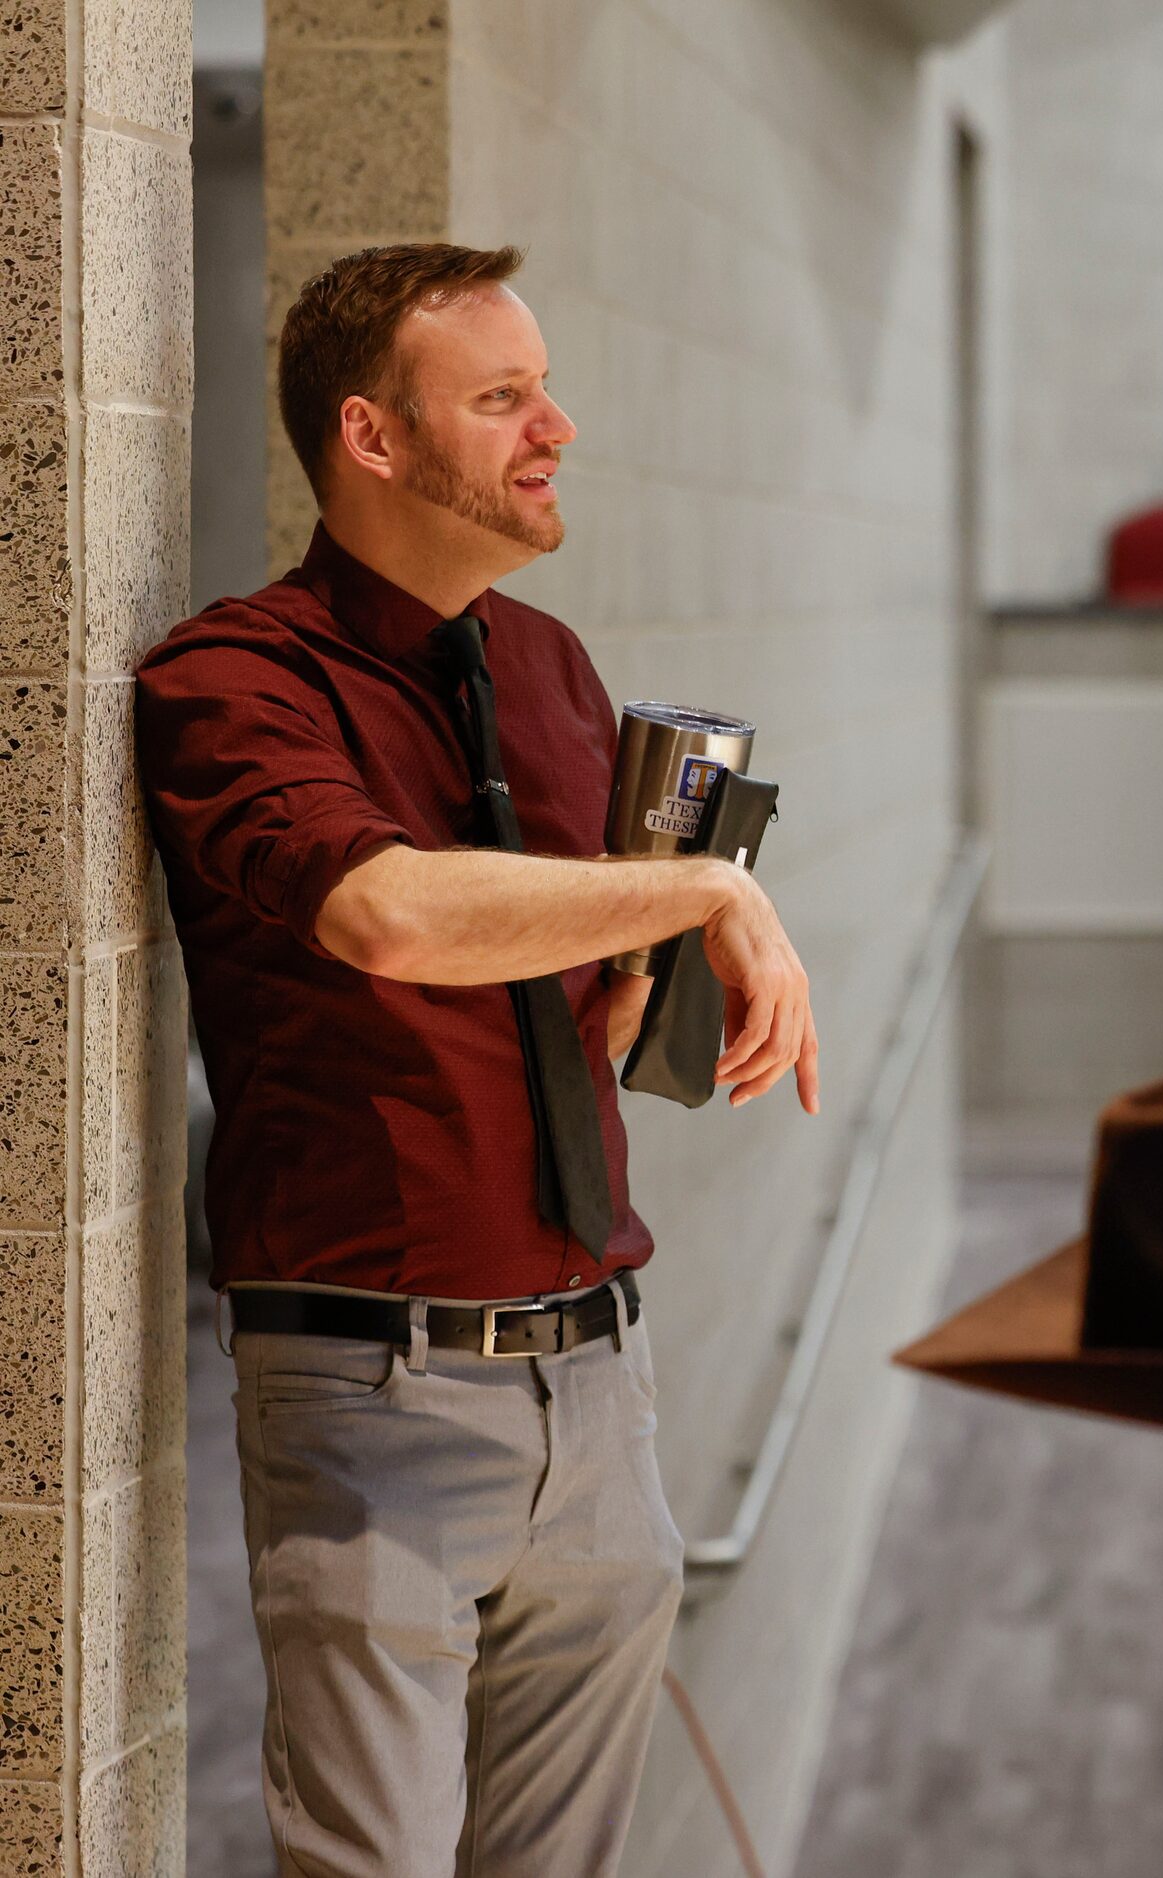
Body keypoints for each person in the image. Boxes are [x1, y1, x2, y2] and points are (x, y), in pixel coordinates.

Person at [136, 242, 823, 1876]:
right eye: (504, 397)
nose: (556, 426)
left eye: (547, 388)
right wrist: (706, 889)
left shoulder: (554, 669)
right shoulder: (232, 680)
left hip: (599, 1381)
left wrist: (664, 947)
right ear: (374, 439)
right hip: (377, 1386)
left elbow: (592, 931)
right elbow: (384, 913)